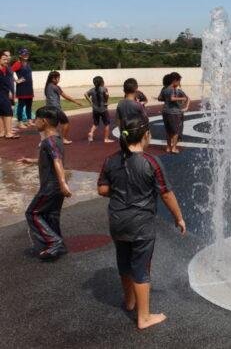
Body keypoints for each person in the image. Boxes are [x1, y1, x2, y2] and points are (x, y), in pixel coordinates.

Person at [97, 116, 186, 330]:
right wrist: (179, 218)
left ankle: (129, 301)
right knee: (141, 267)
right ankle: (144, 317)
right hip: (141, 225)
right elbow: (166, 194)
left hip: (117, 221)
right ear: (146, 135)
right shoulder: (151, 162)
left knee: (124, 261)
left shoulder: (111, 160)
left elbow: (102, 189)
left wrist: (120, 190)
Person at [19, 106, 73, 260]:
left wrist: (63, 183)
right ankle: (58, 245)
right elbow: (51, 160)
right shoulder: (56, 139)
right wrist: (32, 161)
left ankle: (53, 242)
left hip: (50, 186)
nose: (34, 122)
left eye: (36, 119)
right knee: (51, 215)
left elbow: (57, 161)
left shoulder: (49, 141)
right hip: (55, 187)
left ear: (43, 121)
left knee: (32, 213)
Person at [44, 71, 83, 144]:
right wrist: (76, 101)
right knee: (65, 123)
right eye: (58, 78)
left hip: (48, 108)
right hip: (56, 109)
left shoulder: (47, 86)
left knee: (52, 126)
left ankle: (46, 140)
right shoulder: (55, 87)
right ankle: (63, 139)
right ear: (53, 79)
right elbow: (65, 96)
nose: (59, 80)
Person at [160, 72, 189, 154]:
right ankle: (174, 148)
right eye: (179, 80)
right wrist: (182, 98)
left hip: (165, 111)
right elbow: (172, 98)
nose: (179, 82)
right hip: (174, 112)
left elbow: (160, 98)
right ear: (174, 81)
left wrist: (167, 99)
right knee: (176, 131)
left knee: (168, 131)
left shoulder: (164, 89)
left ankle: (168, 147)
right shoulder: (172, 89)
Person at [85, 76, 113, 143]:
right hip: (103, 109)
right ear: (102, 82)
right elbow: (106, 96)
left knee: (95, 123)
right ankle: (106, 139)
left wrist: (91, 102)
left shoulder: (92, 90)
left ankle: (91, 133)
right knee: (107, 124)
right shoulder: (104, 89)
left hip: (95, 109)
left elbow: (85, 94)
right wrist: (106, 101)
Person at [11, 48, 34, 128]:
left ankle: (29, 120)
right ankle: (20, 122)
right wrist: (16, 80)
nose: (26, 55)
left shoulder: (27, 63)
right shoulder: (18, 63)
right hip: (22, 88)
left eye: (27, 53)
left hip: (29, 88)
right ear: (20, 55)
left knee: (29, 105)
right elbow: (9, 72)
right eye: (24, 54)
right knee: (21, 105)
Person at [0, 50, 16, 139]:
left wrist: (10, 91)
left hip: (5, 93)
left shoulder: (5, 69)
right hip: (2, 94)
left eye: (6, 59)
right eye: (3, 59)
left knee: (2, 113)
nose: (6, 61)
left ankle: (2, 132)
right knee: (8, 113)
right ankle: (8, 133)